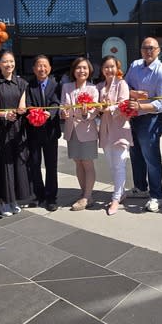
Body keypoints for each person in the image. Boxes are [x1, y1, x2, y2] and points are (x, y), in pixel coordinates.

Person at [124, 37, 162, 213]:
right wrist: (133, 93)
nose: (148, 51)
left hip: (151, 118)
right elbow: (124, 85)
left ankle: (156, 195)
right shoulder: (135, 65)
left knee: (151, 158)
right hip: (133, 118)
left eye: (152, 48)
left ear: (159, 50)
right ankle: (140, 188)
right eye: (145, 47)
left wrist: (140, 106)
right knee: (135, 154)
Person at [0, 49, 31, 216]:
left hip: (17, 128)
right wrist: (4, 114)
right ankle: (3, 201)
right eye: (5, 61)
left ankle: (14, 199)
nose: (9, 64)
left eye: (11, 61)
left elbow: (23, 106)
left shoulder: (21, 83)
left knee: (17, 164)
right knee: (2, 164)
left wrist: (20, 111)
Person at [60, 57, 100, 211]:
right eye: (78, 68)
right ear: (73, 70)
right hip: (72, 130)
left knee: (88, 163)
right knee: (78, 162)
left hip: (87, 131)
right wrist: (63, 113)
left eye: (84, 68)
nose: (81, 71)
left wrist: (84, 114)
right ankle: (85, 193)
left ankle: (87, 196)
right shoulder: (67, 87)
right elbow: (64, 105)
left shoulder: (93, 89)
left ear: (89, 70)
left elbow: (94, 111)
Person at [96, 55, 133, 216]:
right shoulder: (99, 86)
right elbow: (96, 108)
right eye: (106, 67)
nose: (109, 70)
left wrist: (108, 108)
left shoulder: (122, 84)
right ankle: (122, 191)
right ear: (102, 70)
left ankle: (116, 198)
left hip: (120, 129)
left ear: (117, 68)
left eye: (112, 66)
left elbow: (123, 104)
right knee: (112, 165)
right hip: (105, 130)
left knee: (119, 164)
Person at [25, 55, 61, 212]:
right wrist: (34, 114)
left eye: (45, 65)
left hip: (50, 131)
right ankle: (38, 195)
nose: (42, 69)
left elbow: (56, 103)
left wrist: (49, 114)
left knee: (51, 165)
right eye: (39, 66)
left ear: (50, 68)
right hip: (33, 131)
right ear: (34, 69)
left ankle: (51, 196)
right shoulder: (28, 85)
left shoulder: (56, 84)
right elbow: (27, 104)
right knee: (34, 163)